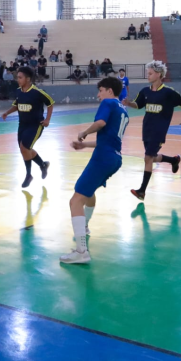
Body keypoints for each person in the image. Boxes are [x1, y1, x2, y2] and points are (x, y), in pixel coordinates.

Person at [60, 77, 129, 264]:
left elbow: (100, 123)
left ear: (109, 91)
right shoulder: (123, 110)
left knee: (75, 200)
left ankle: (81, 251)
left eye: (100, 90)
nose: (98, 95)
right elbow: (108, 140)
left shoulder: (108, 103)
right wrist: (85, 145)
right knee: (88, 193)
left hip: (103, 158)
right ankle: (85, 227)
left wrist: (84, 133)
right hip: (114, 158)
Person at [123, 61, 181, 201]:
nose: (148, 76)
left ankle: (142, 191)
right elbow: (138, 105)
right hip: (146, 128)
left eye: (150, 73)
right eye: (148, 73)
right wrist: (129, 103)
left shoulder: (168, 92)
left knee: (147, 158)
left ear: (159, 74)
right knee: (151, 158)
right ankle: (173, 160)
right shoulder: (145, 91)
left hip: (159, 130)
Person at [1, 66, 54, 187]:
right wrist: (7, 112)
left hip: (36, 125)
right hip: (22, 125)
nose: (18, 79)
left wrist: (47, 119)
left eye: (20, 77)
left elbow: (50, 103)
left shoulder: (37, 92)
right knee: (25, 149)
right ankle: (43, 165)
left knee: (24, 147)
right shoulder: (19, 91)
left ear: (28, 79)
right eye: (17, 77)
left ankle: (29, 175)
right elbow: (17, 105)